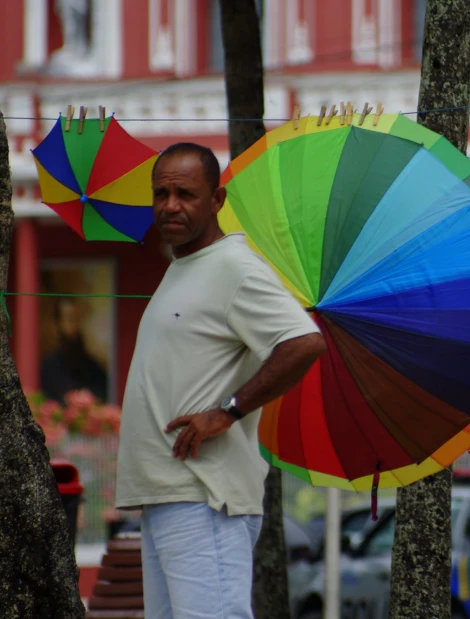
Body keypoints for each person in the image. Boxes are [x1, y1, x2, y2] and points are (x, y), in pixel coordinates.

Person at [115, 142, 326, 619]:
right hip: (167, 494)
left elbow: (303, 342)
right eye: (161, 193)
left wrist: (228, 410)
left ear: (217, 200)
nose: (170, 205)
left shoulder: (235, 267)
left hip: (204, 496)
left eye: (186, 194)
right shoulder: (182, 268)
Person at [40, 299, 108, 405]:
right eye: (69, 319)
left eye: (76, 319)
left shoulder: (92, 366)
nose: (74, 325)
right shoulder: (48, 366)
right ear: (58, 323)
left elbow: (102, 392)